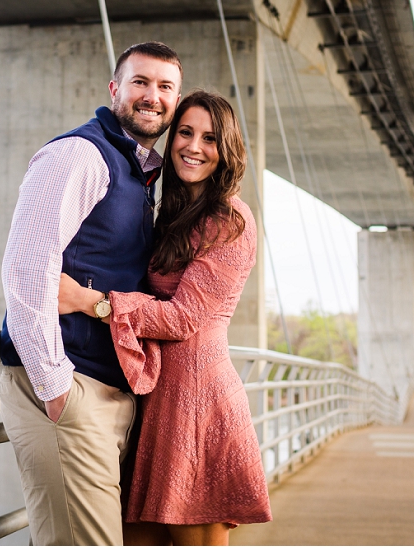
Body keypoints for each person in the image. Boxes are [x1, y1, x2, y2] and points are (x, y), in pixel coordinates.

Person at [57, 90, 273, 546]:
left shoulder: (230, 219)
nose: (194, 146)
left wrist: (88, 301)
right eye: (186, 133)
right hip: (157, 402)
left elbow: (183, 318)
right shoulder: (174, 214)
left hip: (198, 402)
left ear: (228, 149)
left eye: (210, 138)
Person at [0, 41, 183, 545]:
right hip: (68, 388)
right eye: (140, 82)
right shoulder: (81, 154)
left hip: (106, 391)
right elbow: (28, 268)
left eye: (166, 87)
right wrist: (56, 388)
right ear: (114, 90)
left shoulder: (140, 173)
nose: (153, 96)